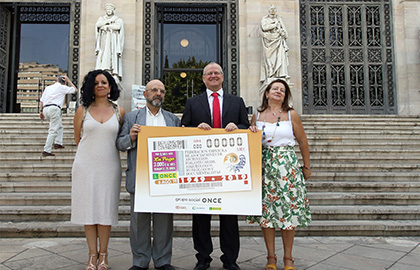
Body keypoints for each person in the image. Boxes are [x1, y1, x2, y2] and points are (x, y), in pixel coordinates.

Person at [181, 62, 250, 270]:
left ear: (222, 76)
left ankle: (230, 259)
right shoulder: (192, 103)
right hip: (202, 169)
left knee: (229, 217)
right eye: (209, 73)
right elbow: (183, 129)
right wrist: (195, 128)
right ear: (203, 79)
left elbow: (247, 127)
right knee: (200, 217)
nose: (213, 76)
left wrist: (237, 127)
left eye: (216, 73)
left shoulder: (236, 101)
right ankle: (203, 259)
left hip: (228, 169)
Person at [246, 79, 311, 270]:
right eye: (274, 88)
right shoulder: (257, 115)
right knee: (267, 214)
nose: (278, 91)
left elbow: (303, 141)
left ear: (286, 95)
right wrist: (251, 131)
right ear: (266, 93)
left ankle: (288, 258)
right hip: (265, 167)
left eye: (282, 90)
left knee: (288, 213)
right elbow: (251, 139)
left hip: (287, 167)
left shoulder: (292, 115)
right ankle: (271, 258)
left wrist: (306, 167)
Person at [117, 79, 179, 270]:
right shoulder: (131, 118)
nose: (158, 93)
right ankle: (140, 261)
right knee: (139, 223)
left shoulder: (173, 119)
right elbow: (120, 144)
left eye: (162, 90)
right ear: (145, 94)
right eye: (154, 90)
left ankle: (162, 260)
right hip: (140, 177)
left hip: (166, 178)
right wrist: (132, 137)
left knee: (164, 223)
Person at [71, 69, 126, 270]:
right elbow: (78, 139)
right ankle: (92, 255)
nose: (100, 85)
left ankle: (104, 255)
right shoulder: (82, 110)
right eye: (96, 83)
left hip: (110, 167)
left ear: (110, 86)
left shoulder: (119, 111)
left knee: (105, 211)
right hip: (85, 166)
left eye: (104, 82)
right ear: (90, 88)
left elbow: (120, 139)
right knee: (88, 211)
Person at [39, 75, 77, 157]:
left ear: (57, 80)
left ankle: (58, 143)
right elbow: (75, 90)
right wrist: (69, 81)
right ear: (64, 82)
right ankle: (46, 150)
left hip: (46, 109)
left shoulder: (48, 88)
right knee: (53, 130)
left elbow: (41, 100)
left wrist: (41, 111)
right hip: (54, 109)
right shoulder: (62, 87)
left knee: (59, 126)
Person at [95, 3, 124, 82]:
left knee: (113, 56)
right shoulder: (102, 19)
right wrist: (108, 22)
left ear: (113, 11)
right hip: (104, 41)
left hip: (113, 42)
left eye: (110, 10)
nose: (109, 11)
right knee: (104, 54)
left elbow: (118, 26)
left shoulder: (117, 19)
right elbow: (98, 25)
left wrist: (107, 26)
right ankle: (104, 70)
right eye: (107, 10)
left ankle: (113, 72)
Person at [260, 5, 289, 81]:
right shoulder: (265, 19)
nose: (272, 11)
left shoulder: (279, 19)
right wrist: (275, 25)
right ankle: (271, 73)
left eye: (274, 10)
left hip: (278, 41)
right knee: (269, 59)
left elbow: (286, 33)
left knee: (279, 57)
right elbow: (264, 27)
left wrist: (282, 33)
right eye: (271, 10)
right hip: (268, 42)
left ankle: (280, 74)